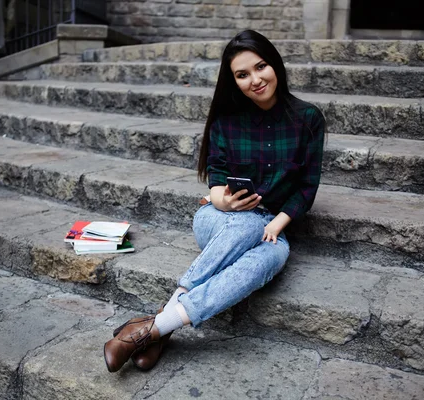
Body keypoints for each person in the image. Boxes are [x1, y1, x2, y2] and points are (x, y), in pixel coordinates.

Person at [103, 30, 326, 373]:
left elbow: (307, 187)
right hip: (218, 219)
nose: (255, 80)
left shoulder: (308, 119)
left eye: (261, 67)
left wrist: (278, 223)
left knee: (273, 256)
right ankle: (156, 328)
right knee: (247, 223)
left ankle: (155, 328)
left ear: (275, 64)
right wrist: (223, 202)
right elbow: (217, 181)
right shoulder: (226, 123)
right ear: (233, 81)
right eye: (242, 75)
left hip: (271, 227)